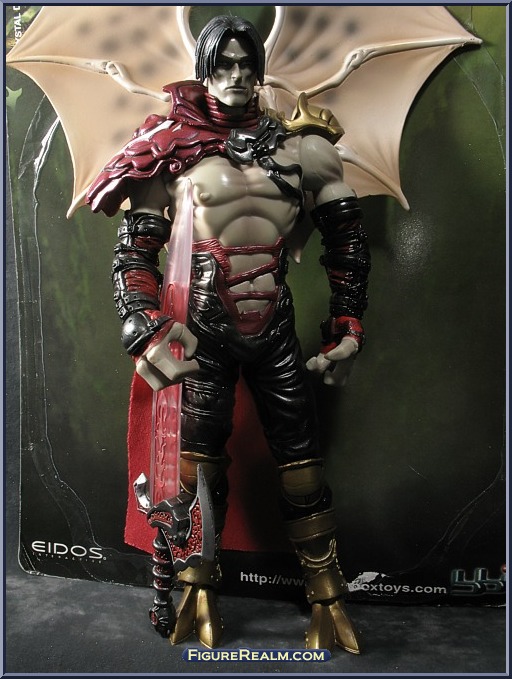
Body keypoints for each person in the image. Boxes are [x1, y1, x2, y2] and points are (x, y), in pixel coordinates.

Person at [86, 15, 370, 654]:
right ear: (205, 69)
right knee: (196, 467)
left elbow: (348, 245)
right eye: (224, 64)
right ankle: (196, 587)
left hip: (275, 328)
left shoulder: (305, 150)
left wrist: (347, 326)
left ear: (260, 70)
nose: (237, 75)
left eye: (247, 64)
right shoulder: (170, 147)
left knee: (302, 462)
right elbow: (136, 252)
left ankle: (327, 595)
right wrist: (144, 329)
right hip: (201, 332)